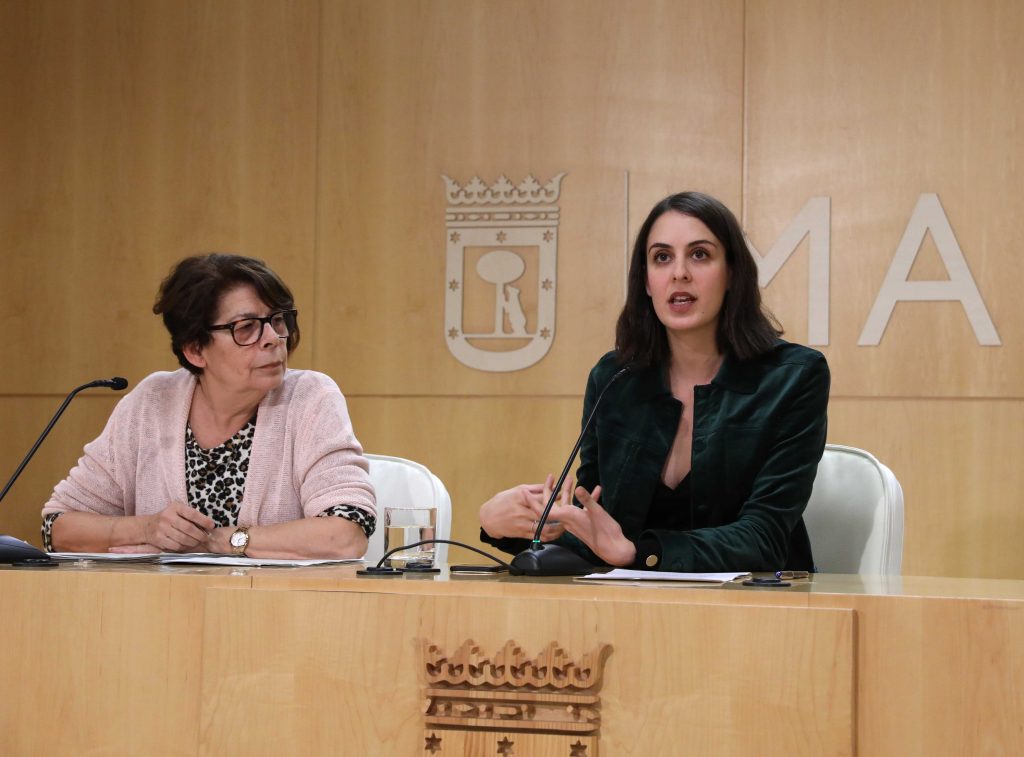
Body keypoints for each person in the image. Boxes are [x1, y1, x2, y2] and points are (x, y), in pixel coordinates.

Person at [479, 191, 829, 572]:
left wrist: (639, 553)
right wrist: (505, 526)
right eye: (662, 257)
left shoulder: (792, 376)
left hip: (762, 610)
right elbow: (598, 530)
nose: (679, 272)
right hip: (634, 614)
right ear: (646, 282)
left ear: (732, 272)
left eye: (699, 254)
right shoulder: (615, 379)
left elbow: (765, 537)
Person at [42, 253, 375, 559]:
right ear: (195, 351)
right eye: (246, 328)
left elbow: (346, 535)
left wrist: (224, 540)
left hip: (278, 612)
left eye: (277, 320)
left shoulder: (309, 398)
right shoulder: (152, 402)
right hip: (160, 610)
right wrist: (147, 529)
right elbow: (59, 527)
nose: (273, 337)